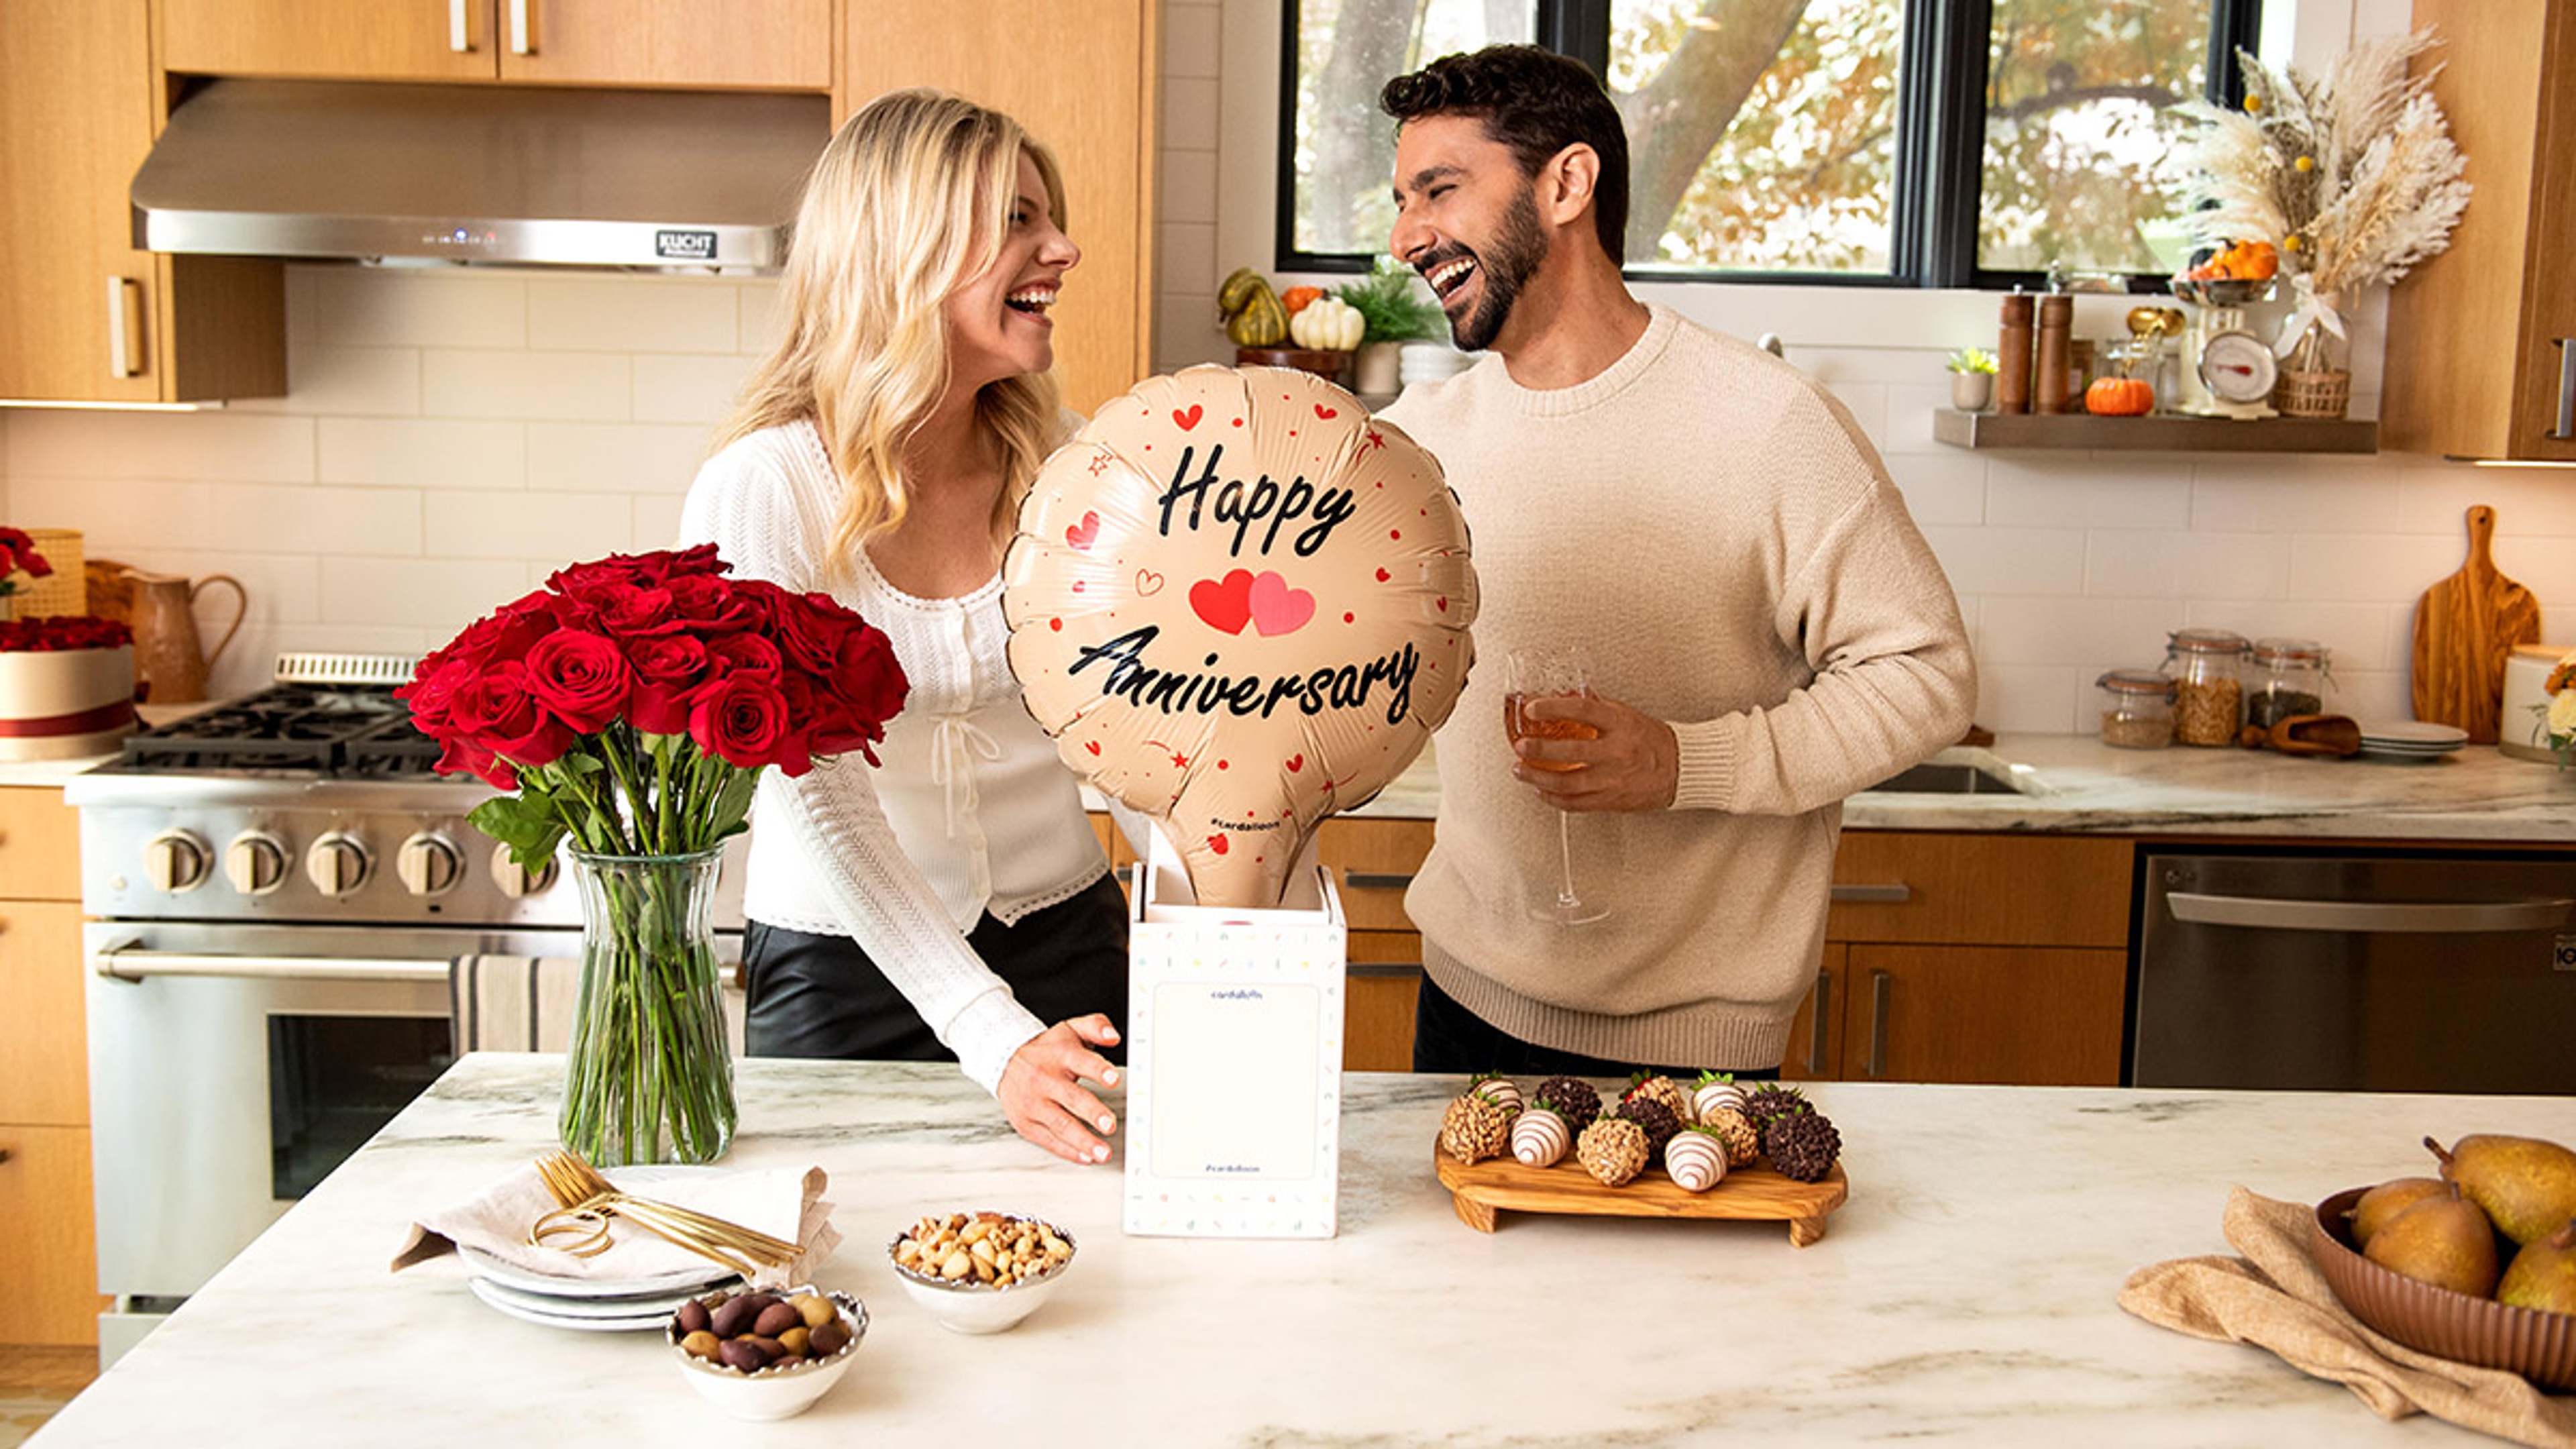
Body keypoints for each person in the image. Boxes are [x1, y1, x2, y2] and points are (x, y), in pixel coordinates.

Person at [1374, 46, 1977, 1079]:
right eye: (1399, 201)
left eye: (1440, 191)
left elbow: (1928, 679)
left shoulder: (1768, 421)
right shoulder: (1416, 439)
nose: (1404, 237)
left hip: (1692, 1049)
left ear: (1566, 184)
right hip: (1465, 1003)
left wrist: (1683, 763)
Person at [677, 90, 1126, 1166]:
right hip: (847, 976)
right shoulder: (765, 488)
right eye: (1019, 218)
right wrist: (989, 1032)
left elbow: (1139, 716)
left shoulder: (1070, 460)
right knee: (841, 1287)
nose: (1062, 249)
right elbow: (815, 796)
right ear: (909, 248)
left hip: (1074, 947)